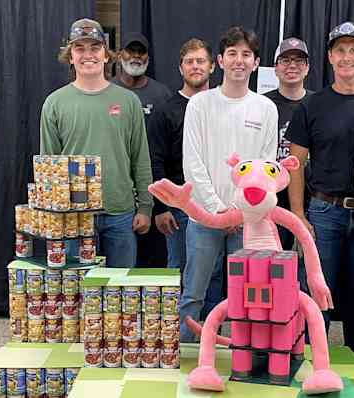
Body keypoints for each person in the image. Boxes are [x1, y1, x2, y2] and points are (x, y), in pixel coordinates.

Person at [179, 26, 278, 342]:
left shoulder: (265, 109)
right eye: (232, 54)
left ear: (256, 62)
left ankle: (243, 357)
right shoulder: (200, 105)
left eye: (246, 54)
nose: (239, 60)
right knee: (194, 293)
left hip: (248, 222)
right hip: (203, 219)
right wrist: (218, 209)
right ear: (219, 61)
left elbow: (266, 170)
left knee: (248, 296)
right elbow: (192, 163)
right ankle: (182, 358)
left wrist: (239, 212)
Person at [286, 21, 354, 353]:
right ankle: (312, 363)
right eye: (340, 50)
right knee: (318, 293)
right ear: (330, 57)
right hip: (324, 212)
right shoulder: (313, 104)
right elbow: (295, 163)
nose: (346, 57)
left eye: (353, 50)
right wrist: (296, 214)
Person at [40, 18, 152, 268]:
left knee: (120, 295)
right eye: (80, 48)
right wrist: (53, 214)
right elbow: (48, 166)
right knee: (77, 297)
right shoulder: (54, 103)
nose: (87, 55)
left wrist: (145, 206)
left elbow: (140, 158)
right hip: (73, 217)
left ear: (106, 55)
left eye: (95, 48)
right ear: (70, 56)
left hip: (120, 213)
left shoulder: (128, 101)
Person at [147, 38, 215, 269]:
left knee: (213, 272)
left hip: (214, 203)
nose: (195, 66)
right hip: (178, 207)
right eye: (189, 61)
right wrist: (161, 207)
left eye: (201, 61)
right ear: (180, 68)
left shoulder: (221, 107)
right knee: (179, 269)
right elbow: (155, 162)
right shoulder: (165, 111)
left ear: (212, 66)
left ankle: (212, 308)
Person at [112, 32, 173, 267]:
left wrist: (159, 204)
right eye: (130, 51)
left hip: (154, 191)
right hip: (118, 194)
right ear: (119, 55)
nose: (136, 56)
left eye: (141, 52)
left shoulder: (162, 94)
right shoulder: (109, 91)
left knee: (152, 263)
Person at [264, 37, 314, 250]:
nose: (292, 65)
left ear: (307, 68)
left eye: (299, 60)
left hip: (310, 201)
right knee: (271, 267)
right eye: (285, 60)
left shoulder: (317, 104)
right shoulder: (262, 104)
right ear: (275, 68)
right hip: (270, 201)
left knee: (306, 268)